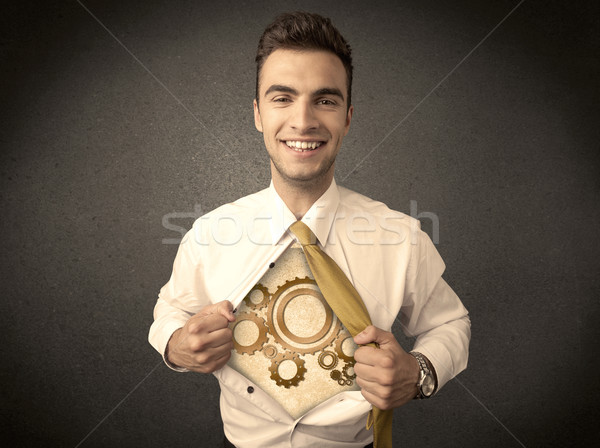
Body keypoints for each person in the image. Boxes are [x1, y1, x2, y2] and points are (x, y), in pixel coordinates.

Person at [149, 11, 470, 448]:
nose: (303, 121)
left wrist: (419, 373)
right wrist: (175, 345)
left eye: (325, 100)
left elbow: (451, 323)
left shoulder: (402, 237)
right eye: (282, 98)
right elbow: (169, 309)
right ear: (258, 114)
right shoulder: (208, 235)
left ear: (348, 117)